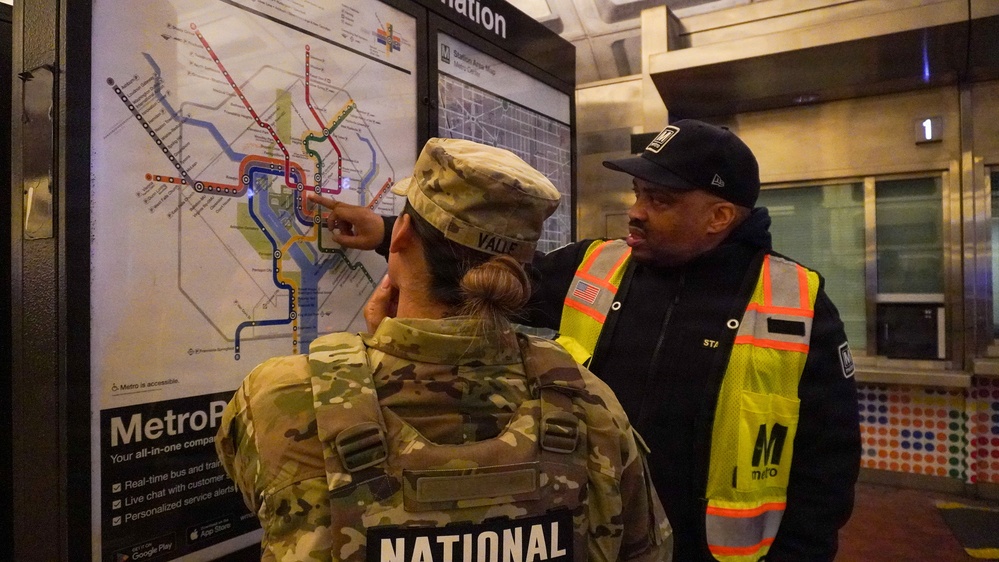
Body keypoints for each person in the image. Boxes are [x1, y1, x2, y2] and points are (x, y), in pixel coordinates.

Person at [311, 120, 862, 562]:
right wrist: (391, 232)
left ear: (719, 216)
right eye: (638, 192)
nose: (637, 211)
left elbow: (826, 470)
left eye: (662, 200)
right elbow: (482, 275)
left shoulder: (795, 303)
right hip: (605, 538)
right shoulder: (594, 267)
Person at [216, 138, 673, 562]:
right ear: (520, 267)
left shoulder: (281, 395)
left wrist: (377, 353)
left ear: (400, 236)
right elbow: (646, 550)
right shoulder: (590, 403)